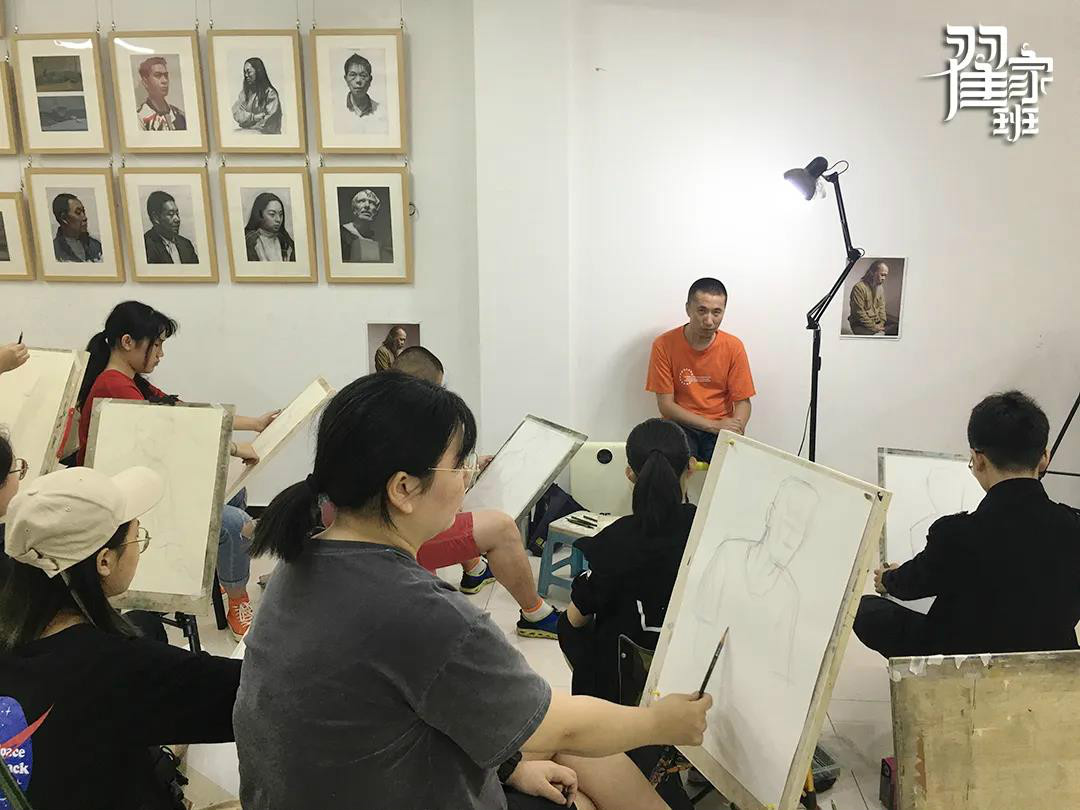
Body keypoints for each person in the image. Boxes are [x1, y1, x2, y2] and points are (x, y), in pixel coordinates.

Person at [234, 372, 711, 808]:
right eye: (459, 465)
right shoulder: (423, 612)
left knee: (564, 760)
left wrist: (511, 768)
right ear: (403, 488)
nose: (468, 476)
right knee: (582, 770)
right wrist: (659, 723)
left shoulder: (297, 563)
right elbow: (559, 724)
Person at [0, 461, 242, 810]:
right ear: (104, 561)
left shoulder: (19, 639)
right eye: (137, 538)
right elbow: (261, 694)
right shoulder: (118, 669)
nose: (138, 547)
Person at [76, 301, 278, 639]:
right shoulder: (115, 388)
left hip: (149, 481)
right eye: (156, 345)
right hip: (131, 502)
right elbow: (171, 440)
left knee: (237, 493)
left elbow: (187, 414)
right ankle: (237, 596)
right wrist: (232, 448)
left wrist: (254, 424)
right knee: (234, 523)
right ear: (127, 342)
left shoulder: (131, 382)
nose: (161, 354)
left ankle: (225, 574)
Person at [854, 390, 1080, 659]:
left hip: (962, 660)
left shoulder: (955, 533)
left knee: (865, 610)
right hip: (1052, 658)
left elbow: (912, 584)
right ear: (1044, 457)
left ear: (979, 459)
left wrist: (887, 579)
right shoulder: (1074, 526)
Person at [391, 346, 561, 639]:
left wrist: (468, 467)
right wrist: (464, 477)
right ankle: (536, 614)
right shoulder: (413, 427)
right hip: (397, 537)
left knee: (461, 509)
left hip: (377, 527)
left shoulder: (378, 414)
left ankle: (475, 571)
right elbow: (427, 492)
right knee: (501, 527)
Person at [558, 418, 696, 702]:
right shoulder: (708, 532)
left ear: (630, 474)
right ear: (691, 467)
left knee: (570, 625)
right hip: (693, 680)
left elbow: (575, 619)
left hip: (622, 691)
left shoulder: (615, 541)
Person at [646, 278, 755, 463]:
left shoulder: (733, 346)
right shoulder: (663, 345)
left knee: (733, 466)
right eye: (702, 311)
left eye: (716, 312)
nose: (709, 321)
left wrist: (735, 429)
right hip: (681, 425)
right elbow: (666, 406)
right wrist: (713, 425)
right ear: (688, 309)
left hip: (721, 427)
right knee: (670, 461)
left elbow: (743, 402)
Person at [143, 190, 199, 264]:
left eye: (177, 214)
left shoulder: (186, 244)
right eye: (171, 214)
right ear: (156, 218)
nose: (177, 219)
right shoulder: (145, 246)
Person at [341, 188, 394, 263]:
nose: (367, 205)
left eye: (372, 203)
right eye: (362, 201)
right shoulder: (342, 234)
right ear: (354, 209)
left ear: (376, 212)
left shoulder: (378, 239)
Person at [135, 56, 187, 131]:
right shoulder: (140, 117)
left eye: (166, 75)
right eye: (157, 75)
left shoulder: (180, 115)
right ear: (145, 82)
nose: (164, 80)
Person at [232, 57, 282, 134]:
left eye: (249, 72)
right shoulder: (245, 93)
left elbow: (268, 120)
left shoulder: (270, 94)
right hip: (247, 133)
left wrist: (247, 120)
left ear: (258, 72)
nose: (246, 75)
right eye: (245, 72)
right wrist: (254, 117)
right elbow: (237, 113)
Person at [244, 192, 295, 262]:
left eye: (281, 214)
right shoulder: (250, 242)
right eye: (272, 214)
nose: (278, 219)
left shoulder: (286, 242)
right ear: (260, 215)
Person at [51, 193, 103, 263]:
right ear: (64, 218)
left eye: (83, 211)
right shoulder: (54, 251)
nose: (85, 218)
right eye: (78, 212)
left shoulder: (96, 246)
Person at [848, 260, 893, 336]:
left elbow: (882, 308)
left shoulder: (880, 288)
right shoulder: (859, 288)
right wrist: (874, 327)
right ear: (872, 272)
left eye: (885, 276)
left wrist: (882, 323)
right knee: (881, 335)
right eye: (882, 275)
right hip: (860, 324)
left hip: (876, 322)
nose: (884, 278)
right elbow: (859, 313)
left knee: (896, 327)